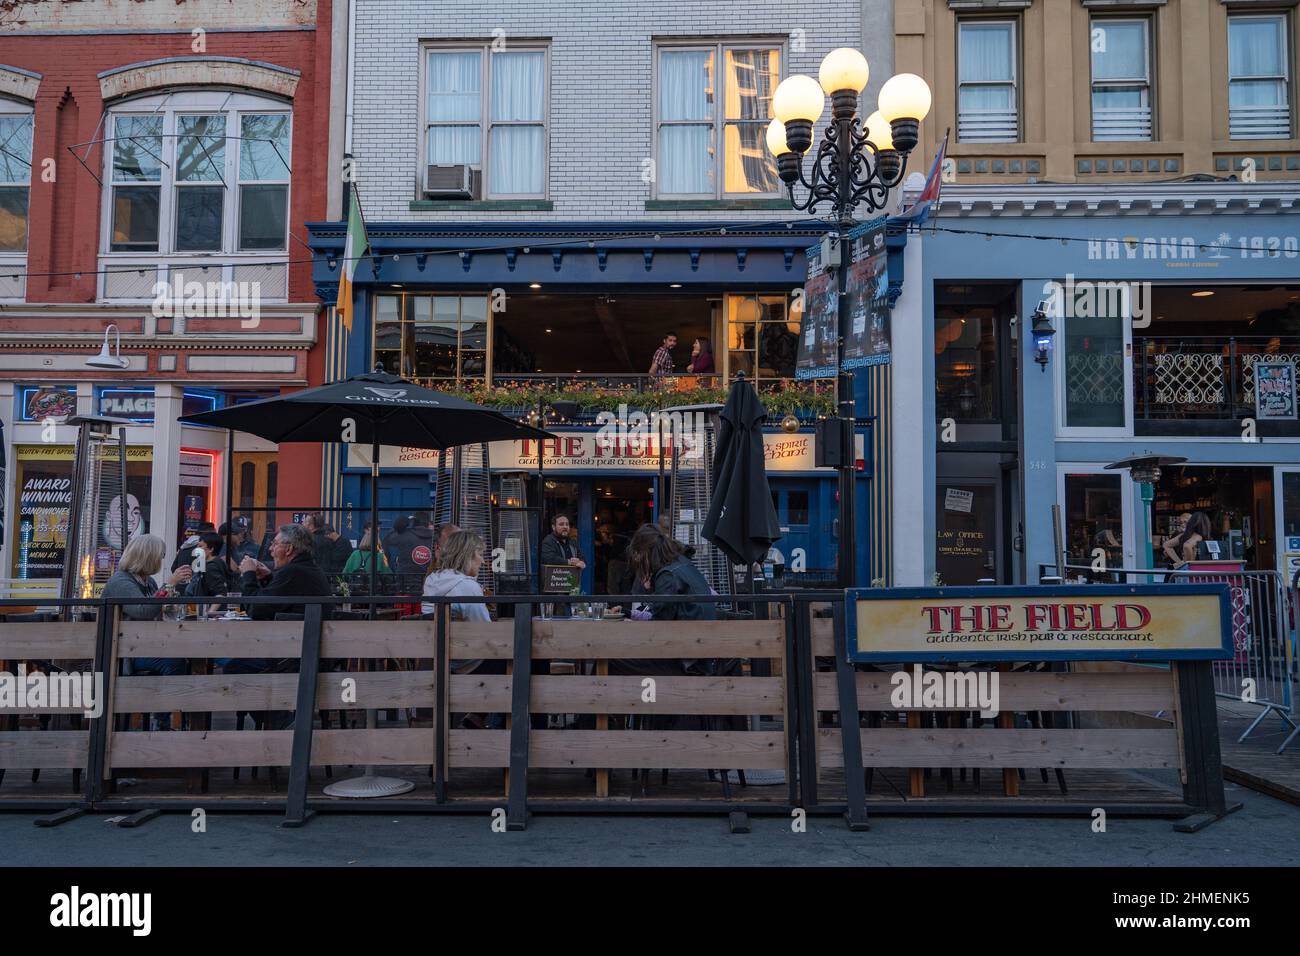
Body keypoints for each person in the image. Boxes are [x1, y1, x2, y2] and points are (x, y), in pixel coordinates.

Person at [104, 534, 192, 676]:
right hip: (125, 652)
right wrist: (169, 585)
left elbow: (156, 610)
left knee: (184, 654)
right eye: (160, 556)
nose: (161, 560)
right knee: (174, 662)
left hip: (146, 644)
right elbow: (144, 610)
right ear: (148, 557)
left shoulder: (148, 581)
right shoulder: (120, 582)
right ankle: (172, 697)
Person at [238, 523, 331, 620]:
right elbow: (280, 599)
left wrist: (248, 574)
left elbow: (255, 610)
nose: (271, 549)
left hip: (296, 633)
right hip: (303, 632)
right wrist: (268, 577)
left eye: (275, 544)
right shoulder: (309, 568)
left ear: (289, 549)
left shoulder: (293, 572)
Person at [627, 522, 716, 622]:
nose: (638, 560)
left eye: (639, 555)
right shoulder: (681, 562)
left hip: (691, 631)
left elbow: (661, 619)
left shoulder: (667, 575)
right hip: (700, 627)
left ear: (646, 552)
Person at [385, 511, 436, 586]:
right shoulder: (436, 538)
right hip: (428, 584)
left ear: (413, 522)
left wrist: (402, 523)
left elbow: (388, 539)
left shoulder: (404, 535)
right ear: (428, 523)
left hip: (404, 584)